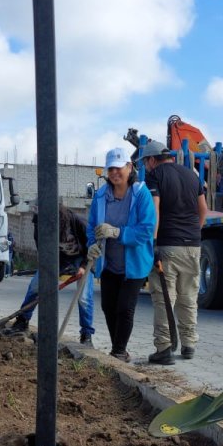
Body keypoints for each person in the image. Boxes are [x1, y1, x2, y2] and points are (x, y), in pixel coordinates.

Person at [140, 140, 208, 364]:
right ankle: (189, 345)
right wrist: (192, 233)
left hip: (167, 245)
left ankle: (164, 348)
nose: (146, 167)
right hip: (192, 246)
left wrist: (154, 242)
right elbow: (203, 209)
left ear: (152, 160)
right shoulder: (192, 175)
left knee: (164, 298)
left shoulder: (155, 176)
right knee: (188, 297)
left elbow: (155, 210)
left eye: (145, 162)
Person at [86, 147, 156, 362]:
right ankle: (119, 348)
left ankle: (118, 351)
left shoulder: (140, 193)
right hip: (109, 262)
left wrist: (117, 232)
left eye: (119, 168)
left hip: (133, 264)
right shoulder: (101, 196)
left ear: (129, 167)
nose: (115, 173)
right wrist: (91, 245)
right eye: (111, 169)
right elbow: (91, 226)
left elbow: (146, 229)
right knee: (108, 306)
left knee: (125, 308)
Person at [3, 204, 95, 346]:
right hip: (57, 259)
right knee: (35, 285)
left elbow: (92, 248)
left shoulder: (78, 223)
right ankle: (22, 321)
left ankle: (86, 335)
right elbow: (42, 250)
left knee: (84, 298)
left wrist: (83, 266)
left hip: (82, 259)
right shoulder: (39, 225)